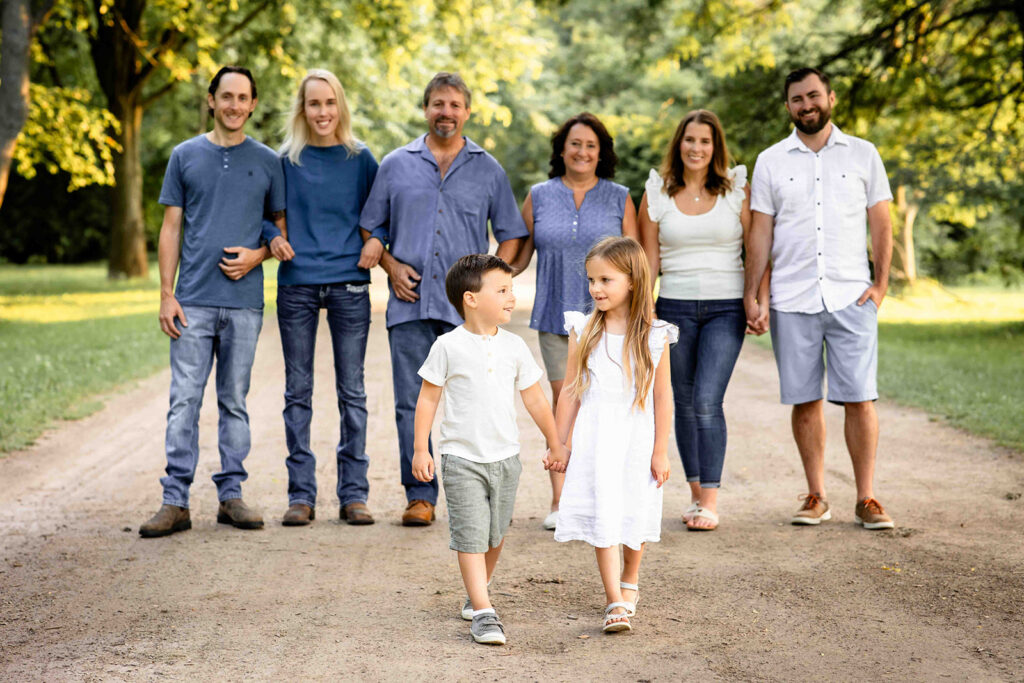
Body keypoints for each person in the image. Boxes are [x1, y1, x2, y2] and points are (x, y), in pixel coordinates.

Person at [358, 72, 527, 526]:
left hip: (466, 315)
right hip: (409, 304)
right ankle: (420, 496)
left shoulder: (488, 169)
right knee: (412, 402)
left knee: (476, 402)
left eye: (454, 105)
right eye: (437, 104)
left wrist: (493, 287)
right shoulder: (395, 164)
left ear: (467, 112)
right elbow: (371, 227)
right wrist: (391, 266)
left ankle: (473, 492)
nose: (445, 112)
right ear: (425, 109)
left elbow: (512, 235)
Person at [139, 66, 291, 537]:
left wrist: (257, 255)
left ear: (252, 104)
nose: (234, 105)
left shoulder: (268, 161)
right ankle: (175, 501)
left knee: (234, 402)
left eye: (243, 97)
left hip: (244, 303)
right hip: (193, 302)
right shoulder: (185, 156)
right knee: (184, 400)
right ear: (211, 100)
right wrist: (166, 295)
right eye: (226, 96)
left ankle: (231, 496)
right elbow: (170, 228)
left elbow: (280, 230)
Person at [744, 67, 895, 530]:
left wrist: (882, 283)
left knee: (860, 398)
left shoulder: (865, 154)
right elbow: (761, 233)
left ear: (830, 97)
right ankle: (816, 495)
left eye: (813, 95)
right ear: (788, 107)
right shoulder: (770, 160)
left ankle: (867, 497)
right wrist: (754, 294)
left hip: (852, 295)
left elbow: (882, 223)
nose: (806, 104)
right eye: (796, 99)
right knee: (805, 399)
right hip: (792, 297)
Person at [412, 254, 568, 645]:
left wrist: (555, 441)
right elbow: (428, 400)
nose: (511, 298)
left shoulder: (515, 346)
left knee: (495, 534)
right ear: (471, 298)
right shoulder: (448, 346)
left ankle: (475, 592)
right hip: (461, 458)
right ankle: (483, 611)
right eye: (502, 291)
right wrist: (421, 449)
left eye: (511, 289)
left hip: (505, 459)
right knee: (470, 535)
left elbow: (534, 399)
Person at [637, 110, 771, 531]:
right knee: (682, 400)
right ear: (679, 144)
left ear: (716, 147)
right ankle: (695, 496)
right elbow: (649, 257)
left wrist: (757, 298)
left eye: (705, 141)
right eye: (690, 140)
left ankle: (709, 501)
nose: (697, 148)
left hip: (725, 307)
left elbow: (756, 251)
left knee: (707, 401)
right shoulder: (657, 192)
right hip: (674, 306)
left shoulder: (735, 190)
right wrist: (648, 306)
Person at [261, 69, 380, 527]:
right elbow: (266, 216)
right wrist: (272, 236)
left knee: (352, 390)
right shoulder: (285, 160)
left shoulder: (361, 159)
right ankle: (301, 496)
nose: (323, 112)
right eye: (314, 104)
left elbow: (380, 212)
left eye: (330, 103)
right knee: (298, 390)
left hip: (349, 281)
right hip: (298, 283)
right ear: (302, 109)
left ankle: (354, 495)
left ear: (340, 106)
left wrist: (379, 239)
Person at [510, 112, 638, 531]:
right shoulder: (540, 196)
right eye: (575, 144)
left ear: (601, 154)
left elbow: (634, 261)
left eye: (591, 146)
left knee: (604, 404)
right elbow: (520, 255)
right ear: (561, 150)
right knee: (565, 402)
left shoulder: (619, 197)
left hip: (611, 319)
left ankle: (601, 495)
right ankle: (561, 498)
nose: (582, 152)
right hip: (555, 316)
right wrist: (489, 277)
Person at [551, 236, 678, 634]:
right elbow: (571, 390)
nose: (595, 288)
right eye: (591, 280)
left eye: (605, 279)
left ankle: (630, 580)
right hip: (596, 437)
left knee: (633, 509)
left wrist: (661, 451)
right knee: (603, 512)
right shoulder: (584, 328)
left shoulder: (655, 335)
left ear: (633, 282)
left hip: (636, 438)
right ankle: (614, 601)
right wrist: (559, 442)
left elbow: (663, 398)